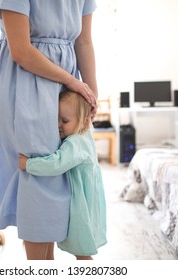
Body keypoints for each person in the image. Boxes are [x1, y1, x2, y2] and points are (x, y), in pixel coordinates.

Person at [0, 0, 98, 260]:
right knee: (38, 175)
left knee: (59, 178)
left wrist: (90, 92)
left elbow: (84, 41)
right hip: (27, 79)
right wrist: (72, 81)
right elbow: (20, 50)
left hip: (67, 85)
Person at [18, 90, 107, 260]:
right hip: (90, 201)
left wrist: (28, 164)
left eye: (65, 121)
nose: (59, 125)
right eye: (56, 119)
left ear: (85, 120)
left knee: (82, 251)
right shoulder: (85, 135)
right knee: (82, 250)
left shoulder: (75, 142)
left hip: (81, 205)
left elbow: (57, 163)